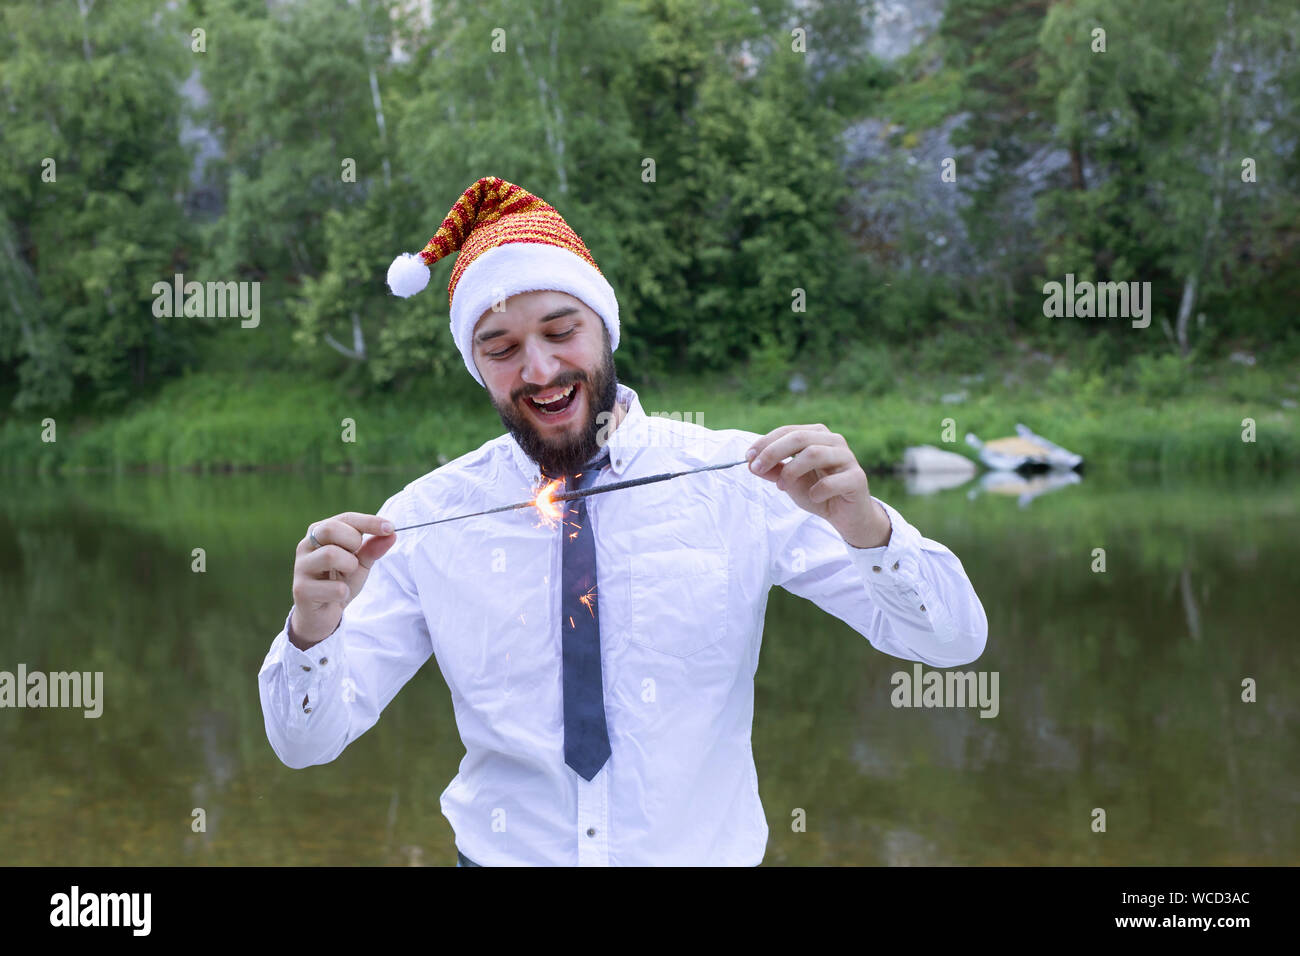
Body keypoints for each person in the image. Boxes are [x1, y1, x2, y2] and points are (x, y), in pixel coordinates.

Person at [257, 176, 988, 866]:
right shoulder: (422, 519)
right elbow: (304, 745)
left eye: (560, 330)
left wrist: (866, 526)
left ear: (604, 328)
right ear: (477, 366)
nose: (539, 370)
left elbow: (952, 642)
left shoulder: (746, 479)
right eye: (502, 348)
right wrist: (311, 629)